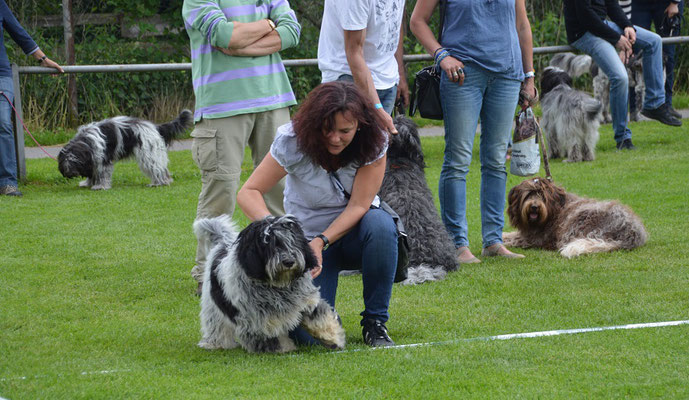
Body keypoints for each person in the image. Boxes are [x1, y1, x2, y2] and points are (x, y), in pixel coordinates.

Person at [237, 81, 398, 347]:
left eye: (345, 131)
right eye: (327, 130)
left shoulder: (375, 140)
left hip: (352, 234)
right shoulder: (292, 140)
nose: (335, 138)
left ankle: (375, 322)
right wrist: (278, 234)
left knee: (380, 225)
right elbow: (249, 191)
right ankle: (327, 314)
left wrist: (321, 241)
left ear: (360, 125)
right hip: (306, 245)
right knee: (310, 339)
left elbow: (359, 205)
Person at [182, 0, 301, 294]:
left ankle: (282, 267)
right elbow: (225, 36)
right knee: (220, 192)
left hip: (273, 100)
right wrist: (268, 24)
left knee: (279, 191)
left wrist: (244, 42)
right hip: (221, 106)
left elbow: (292, 32)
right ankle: (208, 274)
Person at [410, 0, 536, 263]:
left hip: (507, 74)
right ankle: (457, 244)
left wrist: (530, 75)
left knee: (497, 159)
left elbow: (522, 25)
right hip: (462, 74)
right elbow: (417, 21)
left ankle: (493, 241)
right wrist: (441, 55)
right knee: (458, 160)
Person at [563, 0, 682, 152]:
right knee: (620, 77)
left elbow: (612, 5)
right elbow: (585, 16)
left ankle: (654, 104)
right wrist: (616, 38)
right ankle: (622, 137)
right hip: (583, 32)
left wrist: (628, 26)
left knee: (654, 41)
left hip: (601, 24)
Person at [0, 0, 63, 197]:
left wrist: (43, 59)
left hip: (1, 75)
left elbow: (18, 32)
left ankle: (7, 182)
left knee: (2, 123)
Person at [317, 0, 409, 135]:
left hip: (387, 80)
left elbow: (394, 20)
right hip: (348, 79)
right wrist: (376, 108)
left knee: (378, 152)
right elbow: (354, 53)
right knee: (350, 152)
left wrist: (400, 75)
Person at [630, 0, 684, 118]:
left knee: (667, 54)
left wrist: (675, 3)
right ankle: (635, 109)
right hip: (637, 4)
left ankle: (666, 105)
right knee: (635, 54)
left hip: (667, 3)